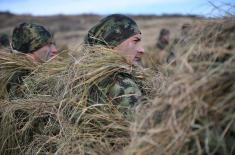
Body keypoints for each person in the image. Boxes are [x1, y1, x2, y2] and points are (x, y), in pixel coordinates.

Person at [84, 14, 146, 110]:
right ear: (112, 44)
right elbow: (145, 123)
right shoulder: (124, 87)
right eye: (135, 41)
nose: (142, 50)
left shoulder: (85, 78)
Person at [6, 22, 58, 98]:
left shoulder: (44, 74)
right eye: (48, 44)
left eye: (53, 44)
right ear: (29, 52)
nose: (55, 50)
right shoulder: (20, 84)